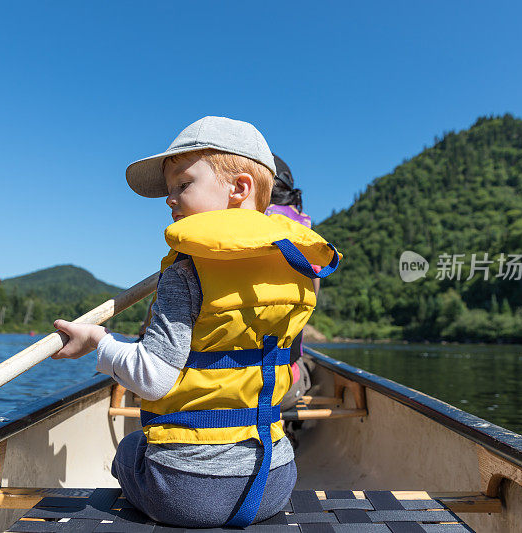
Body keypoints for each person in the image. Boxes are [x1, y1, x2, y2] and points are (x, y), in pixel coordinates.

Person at [50, 116, 340, 528]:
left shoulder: (186, 273)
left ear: (239, 188)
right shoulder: (295, 266)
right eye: (168, 192)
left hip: (187, 492)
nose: (170, 200)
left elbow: (152, 378)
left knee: (130, 448)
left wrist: (98, 342)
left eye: (182, 186)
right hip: (274, 481)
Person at [265, 155, 318, 411]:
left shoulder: (220, 231)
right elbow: (311, 302)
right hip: (280, 388)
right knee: (306, 366)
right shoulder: (305, 233)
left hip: (212, 389)